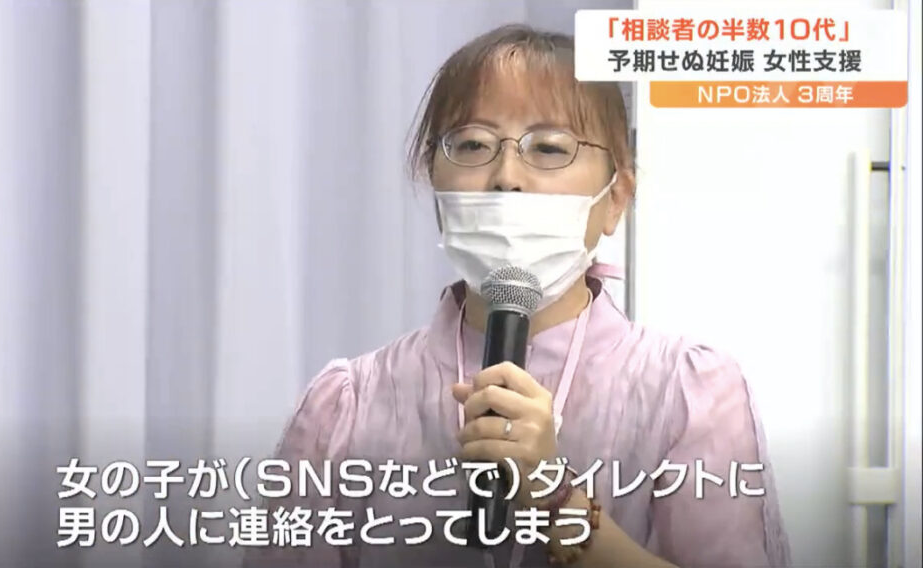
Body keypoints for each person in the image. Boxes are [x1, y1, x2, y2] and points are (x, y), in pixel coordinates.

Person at [243, 24, 791, 568]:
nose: (507, 176)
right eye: (473, 145)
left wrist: (556, 499)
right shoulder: (349, 405)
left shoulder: (688, 392)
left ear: (615, 198)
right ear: (434, 179)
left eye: (549, 148)